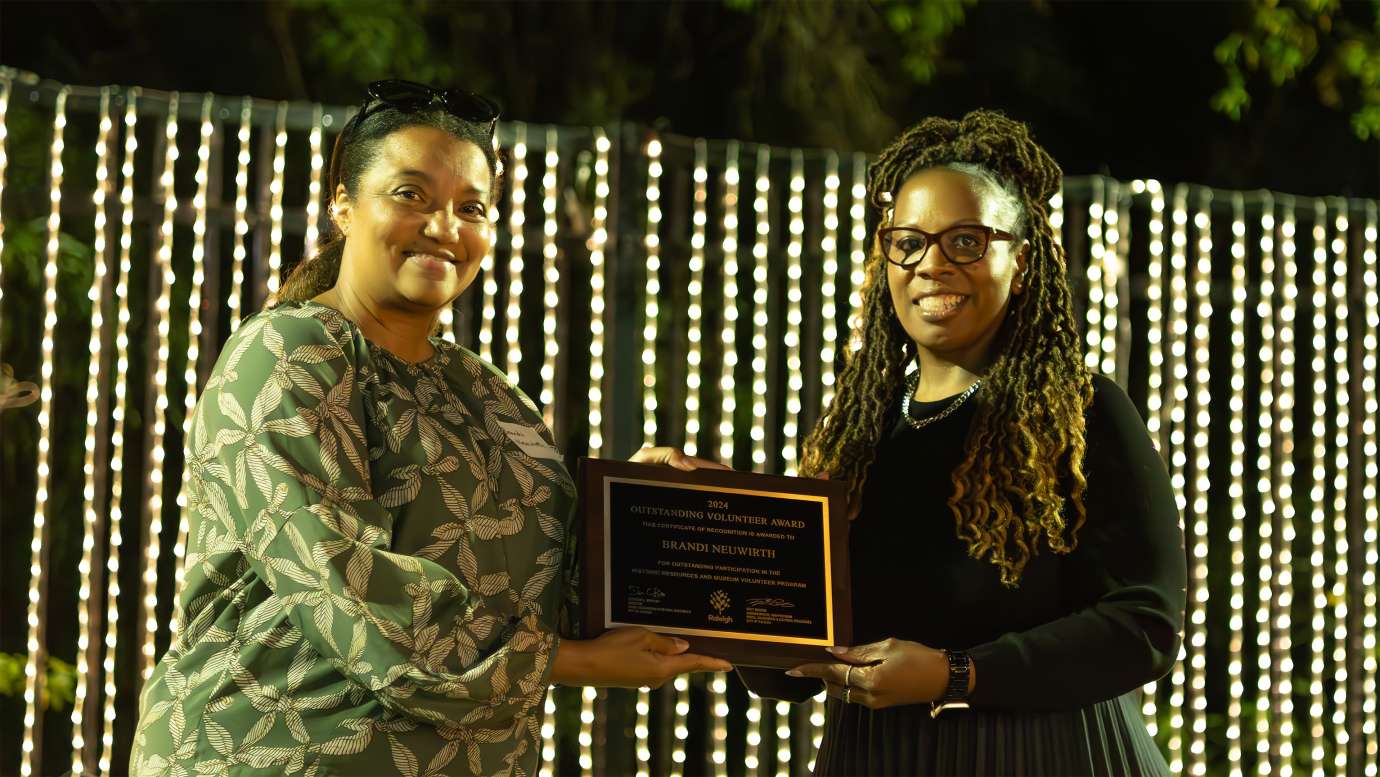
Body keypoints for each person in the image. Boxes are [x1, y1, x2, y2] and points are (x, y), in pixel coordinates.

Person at [130, 79, 730, 776]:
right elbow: (347, 586)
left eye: (470, 207)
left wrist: (647, 511)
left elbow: (550, 584)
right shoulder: (291, 353)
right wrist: (576, 663)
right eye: (411, 195)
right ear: (344, 206)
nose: (445, 226)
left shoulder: (490, 398)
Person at [743, 110, 1185, 775]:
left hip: (1050, 758)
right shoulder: (857, 438)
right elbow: (791, 668)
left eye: (966, 242)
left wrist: (960, 675)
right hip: (877, 757)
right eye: (909, 242)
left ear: (1022, 260)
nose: (932, 265)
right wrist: (720, 534)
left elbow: (1145, 624)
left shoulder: (1083, 413)